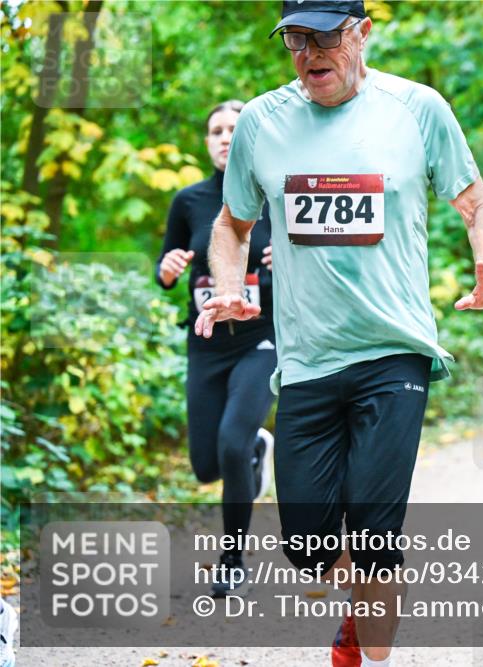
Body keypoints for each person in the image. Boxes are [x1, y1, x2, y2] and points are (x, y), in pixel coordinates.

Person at [192, 2, 483, 666]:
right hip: (307, 360)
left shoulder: (417, 109)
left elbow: (478, 202)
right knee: (307, 547)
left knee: (376, 540)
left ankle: (364, 639)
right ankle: (358, 595)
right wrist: (229, 289)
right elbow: (232, 223)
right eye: (295, 39)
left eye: (325, 37)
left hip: (393, 349)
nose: (309, 52)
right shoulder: (262, 121)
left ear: (363, 33)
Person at [155, 99, 277, 597]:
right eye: (216, 131)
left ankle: (232, 559)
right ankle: (256, 451)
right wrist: (167, 271)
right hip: (206, 344)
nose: (226, 137)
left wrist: (288, 259)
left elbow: (320, 263)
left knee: (230, 440)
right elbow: (166, 262)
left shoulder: (278, 196)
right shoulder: (189, 201)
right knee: (207, 466)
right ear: (206, 142)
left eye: (235, 128)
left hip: (262, 339)